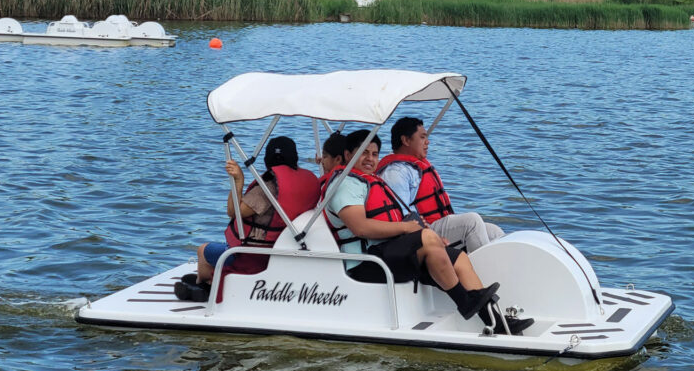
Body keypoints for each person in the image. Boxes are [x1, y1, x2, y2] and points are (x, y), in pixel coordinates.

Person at [322, 129, 532, 334]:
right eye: (363, 153)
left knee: (459, 259)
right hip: (366, 263)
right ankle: (465, 301)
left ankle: (496, 322)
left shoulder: (371, 181)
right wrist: (408, 229)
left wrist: (426, 235)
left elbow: (394, 218)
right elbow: (360, 227)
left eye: (374, 154)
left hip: (388, 252)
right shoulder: (346, 185)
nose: (370, 159)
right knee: (428, 239)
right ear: (348, 155)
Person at [175, 136, 320, 301]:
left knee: (202, 250)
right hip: (284, 247)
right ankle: (206, 280)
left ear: (267, 161)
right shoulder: (306, 182)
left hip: (255, 255)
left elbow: (233, 211)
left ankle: (204, 286)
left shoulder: (267, 190)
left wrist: (239, 181)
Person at [377, 117, 504, 254]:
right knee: (471, 222)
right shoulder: (395, 173)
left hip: (435, 224)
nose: (427, 142)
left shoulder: (413, 166)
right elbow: (400, 216)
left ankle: (503, 272)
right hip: (422, 231)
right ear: (406, 140)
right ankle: (478, 273)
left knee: (493, 231)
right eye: (422, 137)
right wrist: (428, 234)